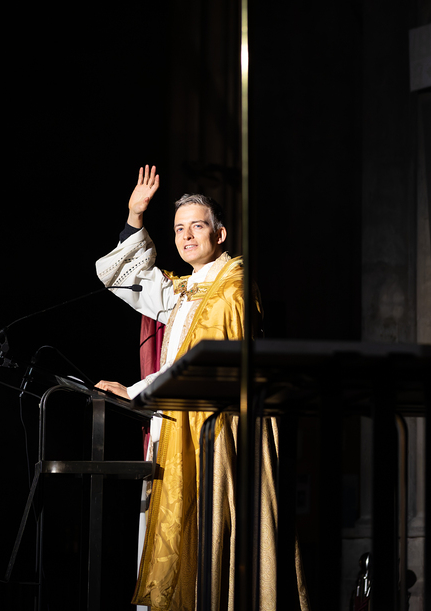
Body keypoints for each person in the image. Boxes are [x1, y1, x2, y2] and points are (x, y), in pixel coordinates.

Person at [94, 166, 308, 611]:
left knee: (210, 538)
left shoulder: (233, 289)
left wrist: (136, 391)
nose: (187, 236)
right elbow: (121, 277)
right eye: (178, 229)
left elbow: (202, 360)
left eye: (197, 226)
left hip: (217, 435)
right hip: (175, 426)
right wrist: (135, 217)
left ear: (221, 233)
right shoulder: (186, 288)